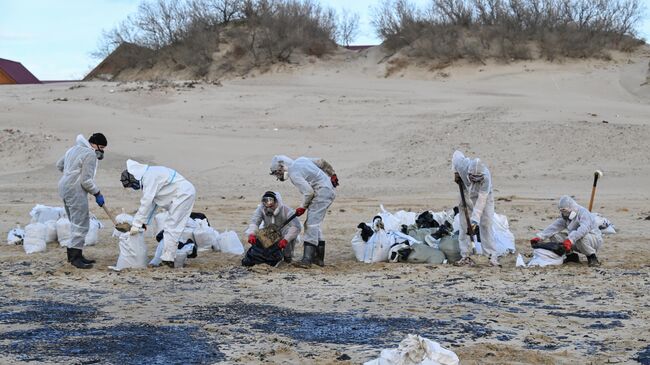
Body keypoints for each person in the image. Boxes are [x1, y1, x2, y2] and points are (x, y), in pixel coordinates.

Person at [121, 159, 196, 268]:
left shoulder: (149, 177)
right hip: (180, 195)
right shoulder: (149, 175)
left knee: (172, 227)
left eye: (132, 185)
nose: (134, 187)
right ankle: (168, 258)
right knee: (172, 227)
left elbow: (146, 202)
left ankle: (168, 260)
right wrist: (144, 222)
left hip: (183, 194)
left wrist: (136, 224)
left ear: (134, 177)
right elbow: (153, 203)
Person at [270, 155, 338, 268]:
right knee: (315, 224)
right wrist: (333, 174)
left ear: (282, 167)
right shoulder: (302, 160)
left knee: (311, 225)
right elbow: (321, 162)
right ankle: (318, 259)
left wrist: (302, 206)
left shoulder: (293, 173)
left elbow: (309, 192)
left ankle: (307, 260)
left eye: (277, 173)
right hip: (327, 189)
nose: (278, 176)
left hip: (322, 193)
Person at [56, 133, 107, 269]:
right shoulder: (90, 154)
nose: (101, 151)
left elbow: (59, 165)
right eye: (101, 147)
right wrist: (97, 193)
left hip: (64, 187)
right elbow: (86, 181)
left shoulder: (73, 149)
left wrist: (70, 173)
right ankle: (75, 258)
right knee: (81, 224)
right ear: (93, 144)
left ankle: (74, 254)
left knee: (75, 222)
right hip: (75, 190)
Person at [451, 150, 500, 267]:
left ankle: (490, 256)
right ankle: (466, 255)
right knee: (464, 225)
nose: (476, 181)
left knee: (486, 223)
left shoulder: (486, 178)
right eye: (474, 178)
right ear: (469, 173)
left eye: (479, 179)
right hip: (466, 192)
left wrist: (475, 221)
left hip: (485, 197)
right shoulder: (462, 165)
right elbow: (456, 154)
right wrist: (455, 172)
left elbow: (481, 201)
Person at [530, 195, 603, 267]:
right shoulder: (566, 216)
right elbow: (554, 227)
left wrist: (570, 240)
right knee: (554, 236)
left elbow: (583, 230)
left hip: (593, 240)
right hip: (574, 240)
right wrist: (540, 236)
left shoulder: (583, 213)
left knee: (580, 237)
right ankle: (571, 256)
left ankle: (592, 257)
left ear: (572, 208)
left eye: (565, 211)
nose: (564, 213)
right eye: (562, 211)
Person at [243, 191, 301, 266]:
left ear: (277, 201)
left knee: (289, 234)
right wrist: (252, 234)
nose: (268, 204)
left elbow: (297, 226)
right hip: (269, 232)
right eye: (265, 201)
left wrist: (286, 240)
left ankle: (287, 258)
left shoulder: (286, 210)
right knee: (258, 238)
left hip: (284, 232)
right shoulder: (261, 209)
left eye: (271, 201)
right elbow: (255, 222)